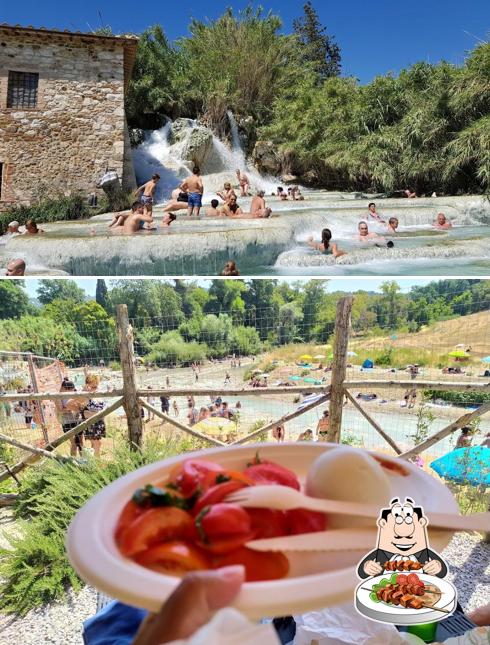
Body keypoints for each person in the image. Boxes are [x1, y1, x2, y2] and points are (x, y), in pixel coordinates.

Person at [56, 379, 83, 457]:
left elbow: (79, 406)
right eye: (70, 389)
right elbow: (60, 410)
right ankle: (73, 463)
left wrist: (69, 407)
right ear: (64, 388)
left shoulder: (73, 394)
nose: (72, 391)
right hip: (67, 422)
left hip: (78, 420)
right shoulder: (58, 396)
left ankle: (84, 462)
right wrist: (70, 407)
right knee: (74, 444)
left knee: (80, 442)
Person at [80, 373, 106, 457]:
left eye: (97, 385)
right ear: (87, 385)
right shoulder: (85, 394)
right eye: (93, 386)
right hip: (91, 422)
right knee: (98, 444)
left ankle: (93, 462)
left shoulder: (98, 393)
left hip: (99, 422)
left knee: (95, 444)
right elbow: (77, 401)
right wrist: (85, 391)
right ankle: (97, 463)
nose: (96, 388)